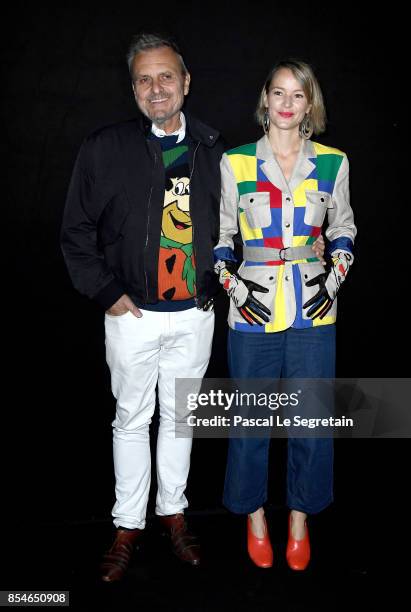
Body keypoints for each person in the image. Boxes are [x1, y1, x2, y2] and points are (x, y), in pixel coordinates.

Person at [60, 32, 226, 580]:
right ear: (134, 89)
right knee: (131, 419)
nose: (157, 88)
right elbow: (76, 231)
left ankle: (173, 515)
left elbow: (239, 229)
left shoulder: (214, 149)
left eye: (166, 77)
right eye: (145, 79)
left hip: (195, 314)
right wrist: (107, 293)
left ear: (185, 82)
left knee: (180, 419)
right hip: (131, 314)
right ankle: (127, 525)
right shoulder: (104, 147)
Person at [214, 59, 356, 570]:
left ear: (309, 103)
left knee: (312, 424)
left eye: (298, 95)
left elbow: (343, 228)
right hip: (252, 311)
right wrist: (232, 287)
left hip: (315, 309)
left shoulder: (334, 163)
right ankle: (254, 518)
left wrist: (335, 276)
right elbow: (223, 239)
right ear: (265, 99)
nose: (288, 104)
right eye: (279, 93)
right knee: (250, 423)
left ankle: (299, 519)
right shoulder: (236, 162)